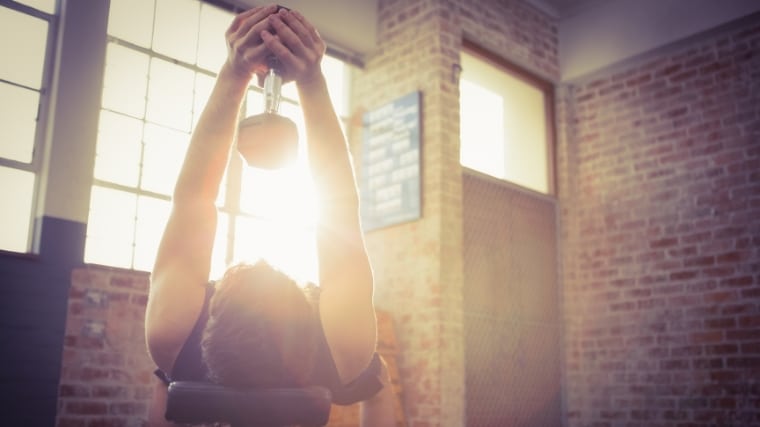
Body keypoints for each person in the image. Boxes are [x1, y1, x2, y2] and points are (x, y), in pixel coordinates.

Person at [144, 5, 395, 426]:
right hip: (332, 363)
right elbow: (340, 206)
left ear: (210, 315)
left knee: (165, 373)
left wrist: (234, 72)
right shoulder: (341, 350)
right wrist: (312, 81)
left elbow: (193, 201)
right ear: (306, 314)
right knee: (376, 373)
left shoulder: (174, 334)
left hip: (187, 370)